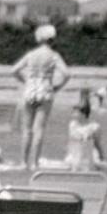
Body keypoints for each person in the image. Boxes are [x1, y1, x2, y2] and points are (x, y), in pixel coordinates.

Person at [11, 24, 69, 170]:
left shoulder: (31, 54)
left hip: (30, 89)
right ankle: (35, 163)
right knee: (39, 129)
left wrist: (25, 81)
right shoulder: (54, 56)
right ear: (52, 39)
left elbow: (14, 70)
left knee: (27, 128)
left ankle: (23, 162)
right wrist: (57, 87)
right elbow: (67, 74)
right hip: (46, 90)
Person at [63, 102, 106, 171]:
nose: (73, 114)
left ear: (83, 114)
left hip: (89, 154)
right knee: (71, 164)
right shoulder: (73, 125)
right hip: (75, 153)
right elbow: (72, 142)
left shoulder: (95, 127)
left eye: (75, 112)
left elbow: (97, 144)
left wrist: (102, 157)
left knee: (95, 164)